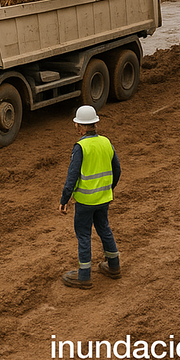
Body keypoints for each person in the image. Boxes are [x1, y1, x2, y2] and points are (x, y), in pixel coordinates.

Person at [58, 105, 121, 289]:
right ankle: (114, 266)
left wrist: (64, 200)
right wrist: (109, 189)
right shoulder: (106, 142)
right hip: (103, 199)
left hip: (85, 202)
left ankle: (84, 276)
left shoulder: (81, 147)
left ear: (80, 127)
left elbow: (72, 177)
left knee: (84, 235)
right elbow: (117, 169)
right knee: (104, 229)